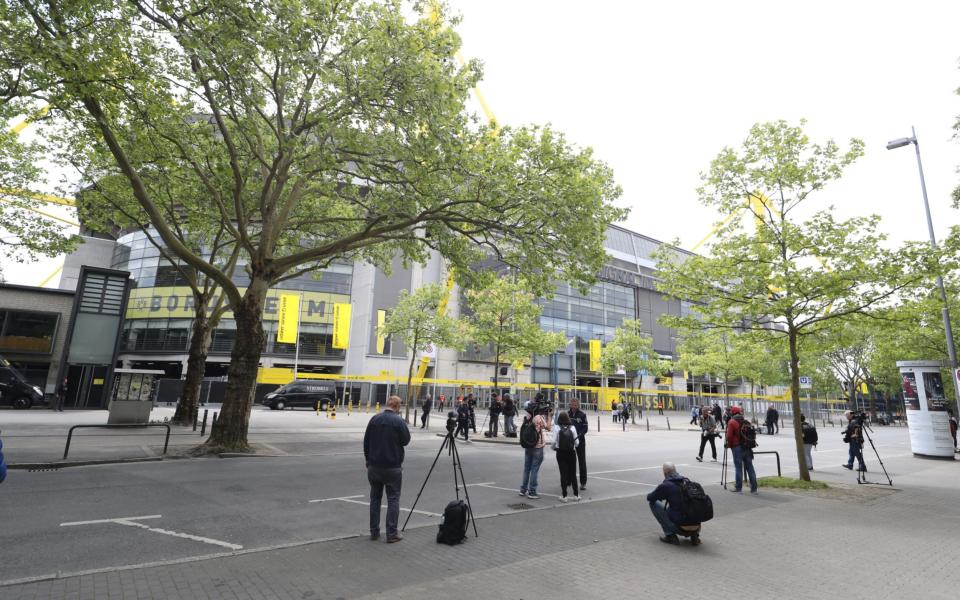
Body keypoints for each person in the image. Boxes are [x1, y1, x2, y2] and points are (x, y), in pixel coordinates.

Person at [363, 395, 411, 543]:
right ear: (396, 407)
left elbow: (366, 443)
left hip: (374, 466)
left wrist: (368, 461)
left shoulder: (374, 419)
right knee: (393, 499)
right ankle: (391, 533)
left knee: (375, 499)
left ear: (387, 404)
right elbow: (406, 440)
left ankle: (374, 531)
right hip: (392, 467)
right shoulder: (398, 421)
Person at [646, 462, 699, 545]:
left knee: (653, 503)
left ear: (665, 473)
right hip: (697, 527)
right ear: (675, 471)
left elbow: (649, 497)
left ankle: (670, 536)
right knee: (690, 507)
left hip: (680, 528)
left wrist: (661, 494)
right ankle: (695, 536)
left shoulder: (666, 485)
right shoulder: (687, 481)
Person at [519, 401, 552, 499]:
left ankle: (523, 489)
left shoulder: (527, 416)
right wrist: (549, 416)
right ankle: (532, 491)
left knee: (527, 468)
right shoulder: (538, 418)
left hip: (528, 445)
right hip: (538, 446)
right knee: (534, 469)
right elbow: (548, 427)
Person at [725, 406, 757, 494]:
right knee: (750, 467)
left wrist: (729, 445)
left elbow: (729, 436)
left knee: (738, 467)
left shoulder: (732, 422)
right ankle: (754, 489)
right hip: (747, 447)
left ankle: (739, 488)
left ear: (733, 413)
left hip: (737, 447)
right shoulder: (746, 421)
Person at [552, 411, 580, 502]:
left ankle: (564, 496)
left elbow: (553, 442)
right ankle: (576, 495)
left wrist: (553, 448)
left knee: (563, 474)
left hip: (560, 453)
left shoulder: (556, 427)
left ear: (559, 418)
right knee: (573, 474)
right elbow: (577, 443)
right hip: (571, 453)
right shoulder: (573, 428)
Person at [568, 397, 588, 489]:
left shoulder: (582, 415)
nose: (574, 406)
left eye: (576, 405)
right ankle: (569, 480)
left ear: (578, 405)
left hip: (580, 441)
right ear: (570, 405)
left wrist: (579, 435)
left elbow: (585, 428)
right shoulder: (567, 414)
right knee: (570, 461)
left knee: (582, 462)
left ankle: (583, 482)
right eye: (573, 405)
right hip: (569, 441)